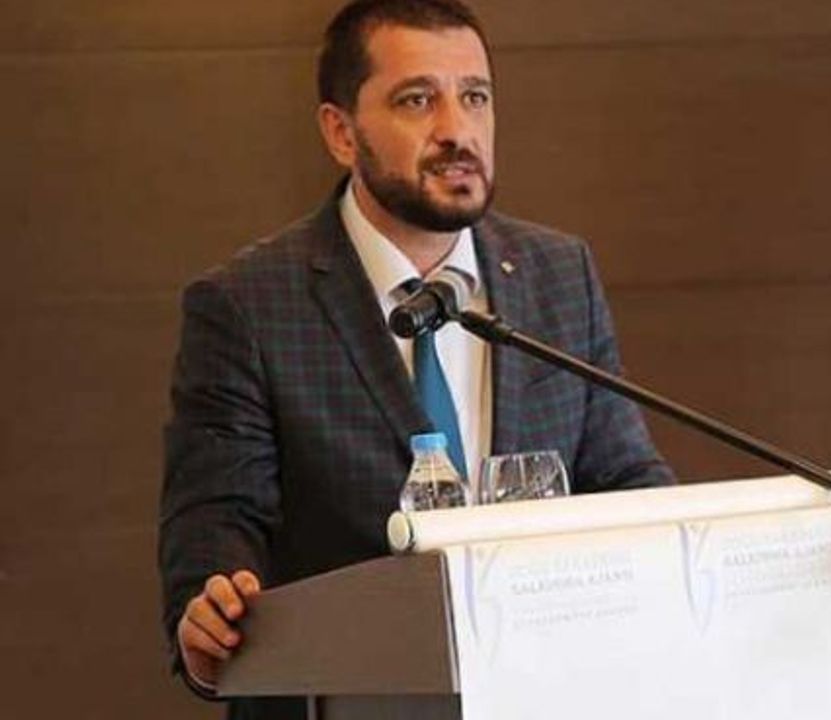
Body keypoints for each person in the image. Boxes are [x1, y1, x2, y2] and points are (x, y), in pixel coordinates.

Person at [158, 0, 674, 715]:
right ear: (341, 132)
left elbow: (623, 478)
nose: (457, 130)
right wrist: (213, 606)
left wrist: (685, 551)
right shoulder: (249, 304)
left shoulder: (558, 273)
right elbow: (220, 519)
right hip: (346, 696)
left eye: (475, 97)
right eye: (417, 100)